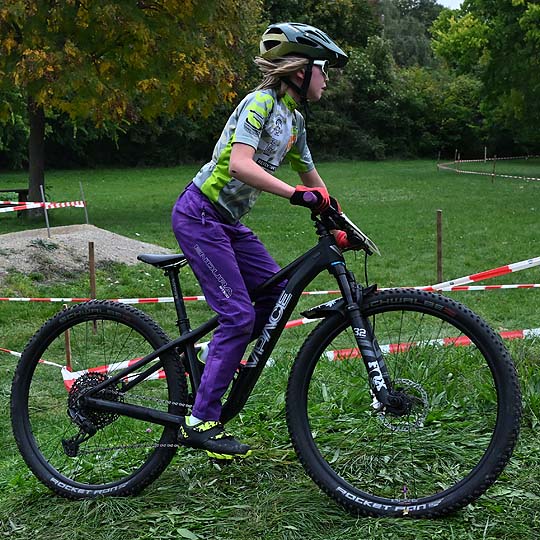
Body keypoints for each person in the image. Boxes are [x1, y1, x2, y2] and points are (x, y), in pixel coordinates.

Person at [172, 22, 349, 459]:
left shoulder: (295, 120)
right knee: (237, 316)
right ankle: (200, 420)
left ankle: (208, 356)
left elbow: (312, 178)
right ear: (300, 71)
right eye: (323, 69)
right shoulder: (260, 103)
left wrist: (338, 219)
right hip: (200, 214)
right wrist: (295, 195)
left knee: (276, 296)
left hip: (228, 222)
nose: (326, 79)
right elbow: (239, 164)